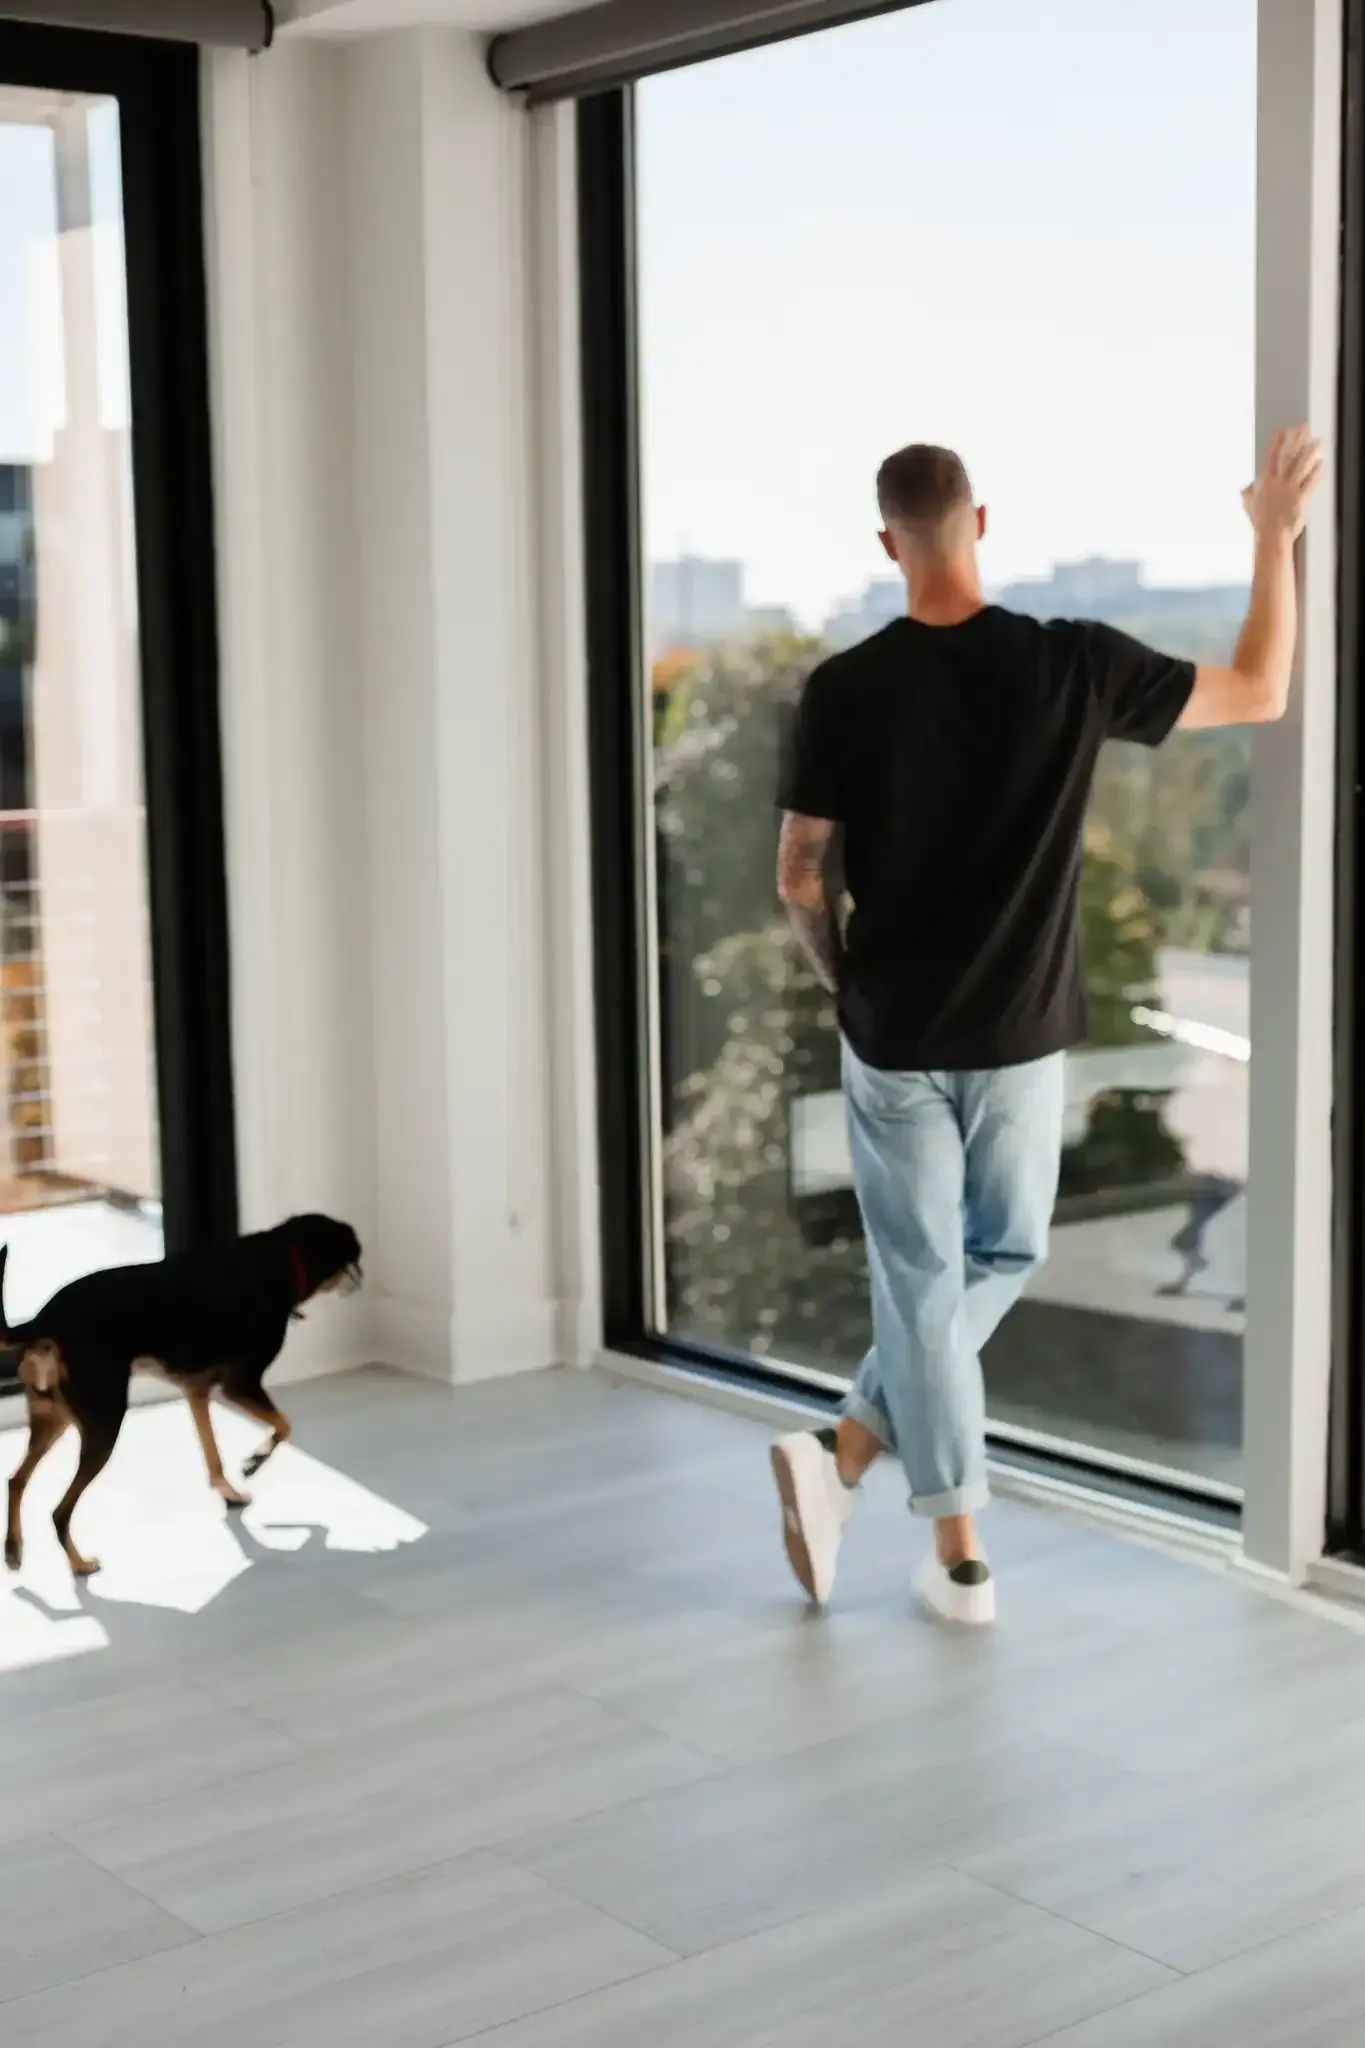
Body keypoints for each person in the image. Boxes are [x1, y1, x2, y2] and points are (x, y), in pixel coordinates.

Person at [770, 426, 1322, 1625]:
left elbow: (801, 878)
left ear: (887, 542)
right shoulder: (1069, 663)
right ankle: (942, 1539)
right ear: (981, 524)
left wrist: (842, 983)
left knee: (920, 1283)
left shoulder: (843, 688)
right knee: (998, 1257)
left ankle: (870, 1474)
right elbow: (1266, 690)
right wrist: (1273, 538)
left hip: (893, 1032)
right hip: (1017, 1031)